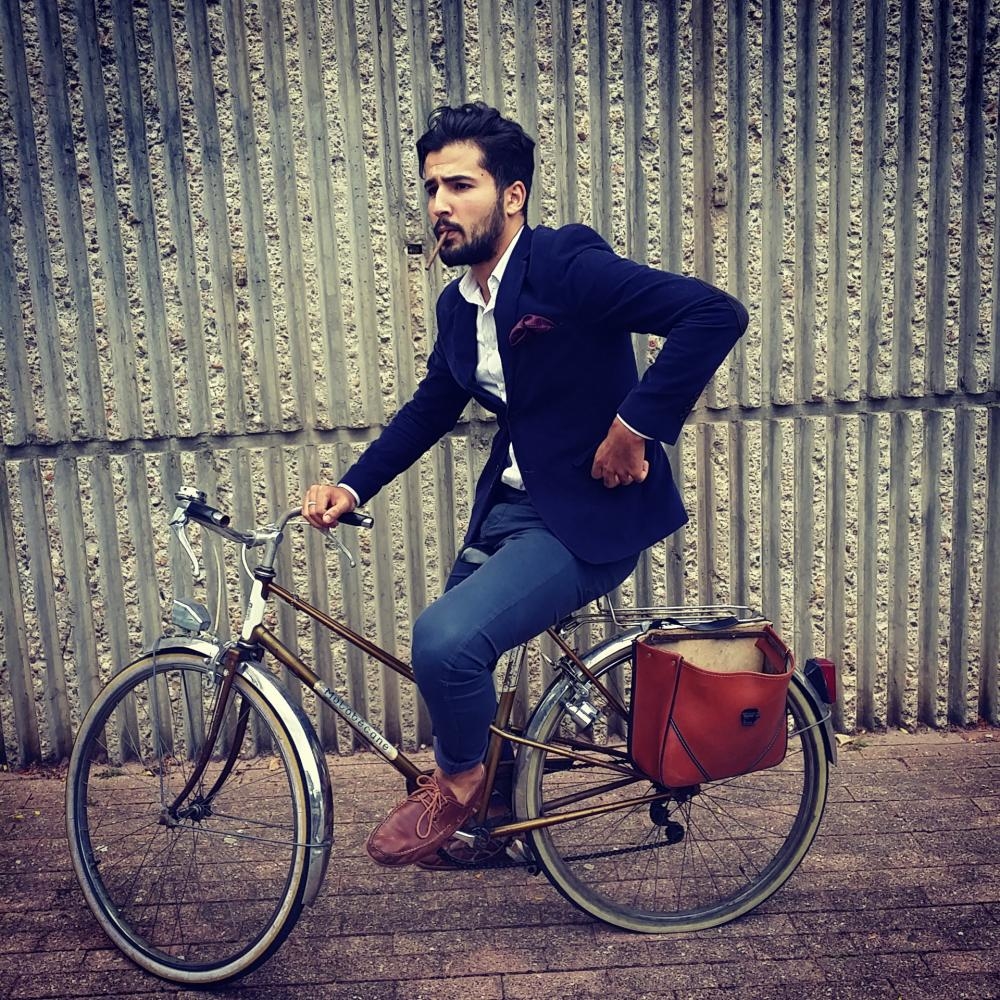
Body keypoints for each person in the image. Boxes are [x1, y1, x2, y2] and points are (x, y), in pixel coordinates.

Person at [302, 102, 748, 867]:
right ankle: (498, 816)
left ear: (512, 195)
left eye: (460, 185)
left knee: (445, 642)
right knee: (454, 662)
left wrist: (634, 427)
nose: (440, 205)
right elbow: (431, 407)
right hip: (509, 512)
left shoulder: (565, 265)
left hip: (584, 520)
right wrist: (353, 486)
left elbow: (713, 314)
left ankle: (459, 785)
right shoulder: (459, 307)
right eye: (431, 187)